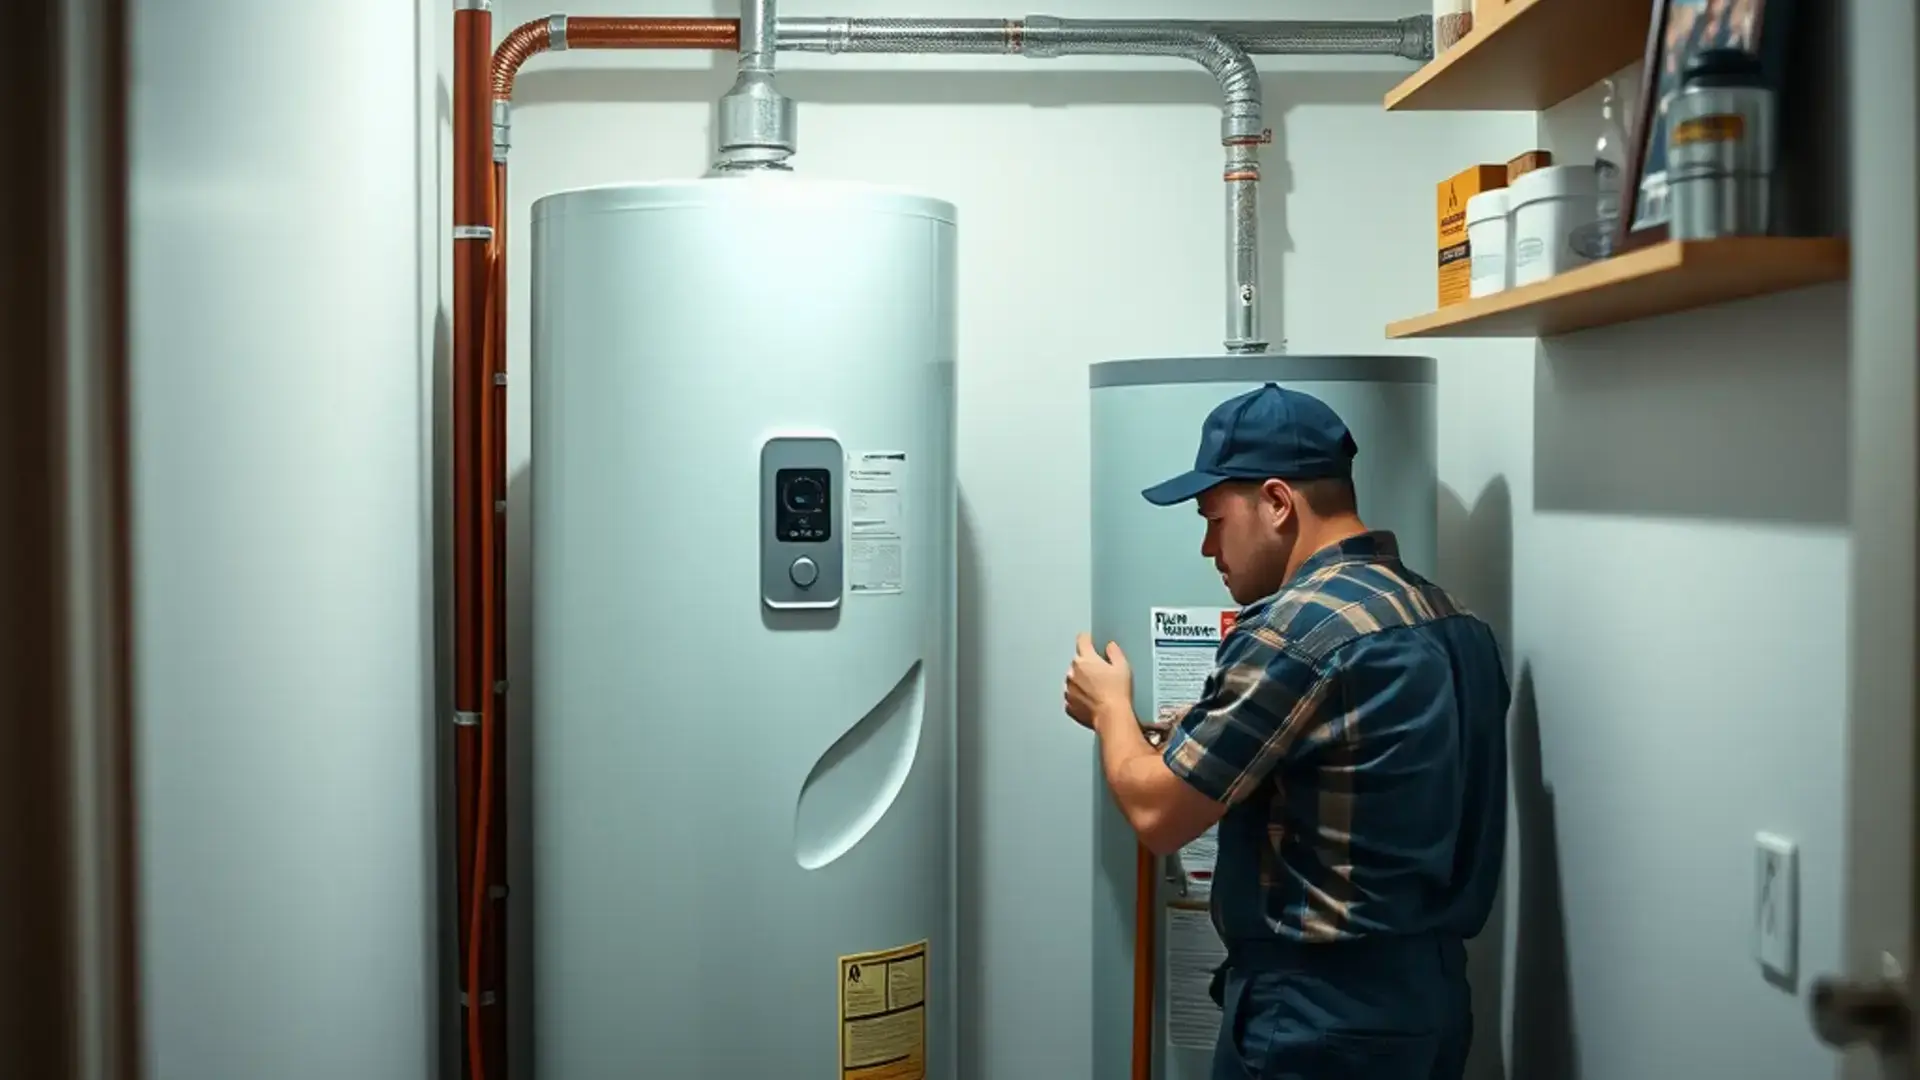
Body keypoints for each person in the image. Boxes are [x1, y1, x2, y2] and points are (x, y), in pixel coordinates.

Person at [1063, 382, 1509, 1080]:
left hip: (1315, 1013)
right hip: (1433, 998)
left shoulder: (1293, 630)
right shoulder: (1450, 619)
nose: (1208, 547)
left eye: (1214, 519)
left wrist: (1109, 709)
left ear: (1276, 502)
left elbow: (1157, 814)